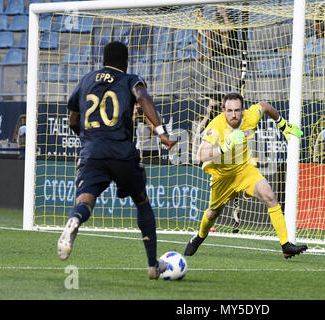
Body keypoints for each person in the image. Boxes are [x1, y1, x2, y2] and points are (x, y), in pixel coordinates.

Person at [57, 41, 177, 280]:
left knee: (85, 199)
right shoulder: (130, 79)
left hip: (92, 152)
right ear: (126, 61)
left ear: (103, 59)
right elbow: (142, 98)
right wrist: (161, 132)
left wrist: (89, 140)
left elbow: (72, 121)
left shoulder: (86, 79)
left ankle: (74, 220)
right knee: (141, 201)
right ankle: (153, 265)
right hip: (121, 152)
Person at [184, 92, 308, 259]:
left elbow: (264, 106)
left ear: (243, 110)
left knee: (269, 195)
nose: (233, 115)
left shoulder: (250, 116)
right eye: (229, 111)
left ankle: (286, 245)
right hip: (222, 177)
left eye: (237, 110)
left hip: (244, 170)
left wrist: (282, 124)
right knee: (213, 213)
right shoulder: (216, 126)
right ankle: (199, 237)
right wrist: (224, 147)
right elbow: (199, 156)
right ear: (223, 110)